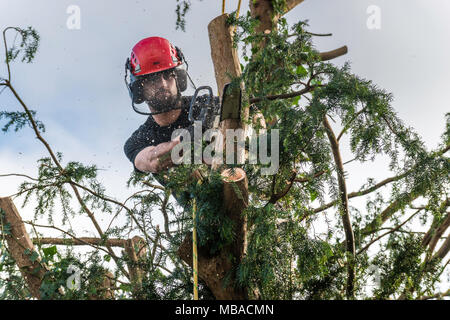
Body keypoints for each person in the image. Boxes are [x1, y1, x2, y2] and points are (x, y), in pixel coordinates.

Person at [123, 36, 218, 190]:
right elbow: (153, 161)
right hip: (198, 207)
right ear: (140, 89)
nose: (162, 84)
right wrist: (189, 137)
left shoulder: (207, 105)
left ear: (178, 78)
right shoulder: (138, 141)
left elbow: (254, 115)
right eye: (153, 79)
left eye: (168, 75)